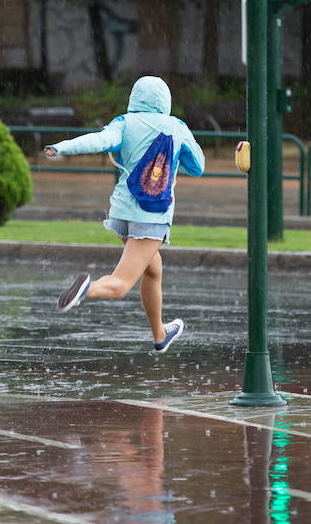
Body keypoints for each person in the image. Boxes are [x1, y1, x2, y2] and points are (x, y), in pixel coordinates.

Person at [44, 76, 205, 354]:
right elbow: (197, 167)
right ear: (165, 101)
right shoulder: (176, 127)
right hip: (152, 217)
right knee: (121, 284)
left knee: (153, 269)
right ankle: (86, 290)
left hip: (122, 214)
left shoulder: (124, 123)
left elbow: (99, 140)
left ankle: (160, 335)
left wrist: (62, 147)